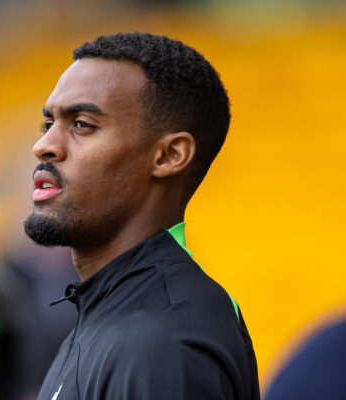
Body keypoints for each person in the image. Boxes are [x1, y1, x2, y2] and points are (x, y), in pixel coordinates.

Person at [23, 32, 260, 399]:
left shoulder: (165, 343)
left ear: (168, 156)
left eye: (82, 123)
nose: (45, 146)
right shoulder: (112, 316)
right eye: (48, 124)